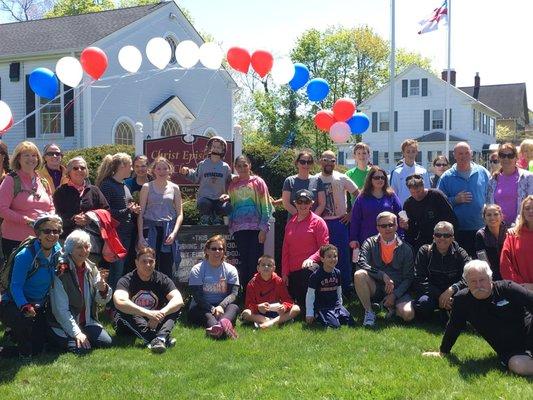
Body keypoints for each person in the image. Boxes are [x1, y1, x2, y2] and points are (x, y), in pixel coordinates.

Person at [423, 260, 533, 377]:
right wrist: (443, 351)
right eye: (473, 281)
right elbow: (454, 326)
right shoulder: (462, 301)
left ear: (490, 278)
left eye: (482, 280)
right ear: (467, 283)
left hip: (529, 334)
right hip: (512, 352)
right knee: (517, 366)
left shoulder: (507, 289)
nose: (478, 285)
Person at [0, 214, 63, 358]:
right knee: (29, 351)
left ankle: (15, 333)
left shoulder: (57, 249)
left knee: (40, 346)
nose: (52, 235)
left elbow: (62, 257)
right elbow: (15, 286)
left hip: (39, 305)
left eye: (56, 231)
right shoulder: (25, 255)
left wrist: (62, 264)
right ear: (38, 234)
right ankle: (10, 347)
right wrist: (25, 306)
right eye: (47, 231)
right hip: (13, 303)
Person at [48, 230, 113, 354]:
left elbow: (101, 300)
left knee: (106, 342)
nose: (84, 251)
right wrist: (77, 333)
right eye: (79, 247)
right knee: (81, 350)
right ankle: (63, 337)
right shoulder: (61, 272)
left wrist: (103, 290)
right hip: (63, 322)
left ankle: (80, 335)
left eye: (87, 246)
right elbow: (60, 310)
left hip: (87, 321)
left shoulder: (91, 268)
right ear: (70, 249)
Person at [113, 247, 184, 353]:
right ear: (136, 263)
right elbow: (119, 302)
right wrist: (148, 313)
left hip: (154, 321)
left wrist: (161, 313)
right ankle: (157, 339)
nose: (148, 265)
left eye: (151, 261)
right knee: (125, 309)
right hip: (129, 323)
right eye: (144, 261)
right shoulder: (126, 280)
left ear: (155, 263)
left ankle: (160, 338)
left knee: (175, 307)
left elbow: (178, 300)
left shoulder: (162, 279)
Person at [354, 212, 414, 327]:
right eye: (383, 226)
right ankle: (369, 312)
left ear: (396, 226)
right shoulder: (369, 243)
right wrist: (382, 275)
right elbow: (361, 262)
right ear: (377, 227)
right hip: (376, 286)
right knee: (359, 274)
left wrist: (394, 295)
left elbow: (408, 278)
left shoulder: (406, 248)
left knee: (408, 315)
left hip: (397, 289)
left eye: (391, 225)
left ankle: (388, 307)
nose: (388, 228)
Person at [0, 141, 55, 257]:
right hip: (15, 241)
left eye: (34, 155)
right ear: (18, 159)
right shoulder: (11, 180)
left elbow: (51, 206)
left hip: (42, 240)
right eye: (26, 155)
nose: (31, 158)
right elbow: (2, 209)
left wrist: (50, 218)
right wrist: (26, 220)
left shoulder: (43, 181)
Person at [437, 142, 491, 257]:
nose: (464, 156)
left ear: (471, 154)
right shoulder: (446, 177)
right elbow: (438, 203)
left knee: (482, 262)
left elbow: (491, 196)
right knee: (461, 265)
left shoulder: (482, 172)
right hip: (458, 231)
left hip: (481, 229)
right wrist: (455, 200)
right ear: (454, 155)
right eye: (460, 153)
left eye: (467, 153)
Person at [316, 150, 359, 295]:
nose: (329, 163)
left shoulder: (342, 177)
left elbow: (358, 194)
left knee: (342, 256)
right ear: (320, 161)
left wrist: (351, 214)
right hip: (322, 223)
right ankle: (325, 287)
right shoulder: (314, 179)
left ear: (336, 162)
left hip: (340, 222)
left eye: (332, 160)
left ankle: (346, 287)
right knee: (323, 255)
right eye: (326, 159)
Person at [409, 221, 471, 321]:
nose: (442, 238)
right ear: (433, 237)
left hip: (453, 293)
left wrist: (453, 289)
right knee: (423, 304)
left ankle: (445, 312)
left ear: (452, 238)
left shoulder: (460, 253)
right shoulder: (425, 251)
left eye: (446, 235)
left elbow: (470, 275)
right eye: (438, 235)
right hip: (431, 292)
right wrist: (440, 295)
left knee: (464, 303)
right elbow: (418, 278)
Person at [96, 153, 140, 290]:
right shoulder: (107, 185)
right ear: (122, 166)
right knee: (116, 271)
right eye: (130, 166)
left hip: (126, 234)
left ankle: (116, 302)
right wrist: (128, 210)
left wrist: (134, 209)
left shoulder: (125, 186)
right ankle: (111, 305)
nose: (132, 169)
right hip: (115, 236)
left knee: (122, 270)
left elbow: (126, 206)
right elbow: (105, 212)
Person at [227, 155, 273, 287]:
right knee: (243, 262)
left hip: (256, 229)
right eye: (239, 166)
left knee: (255, 262)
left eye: (244, 165)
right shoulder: (232, 185)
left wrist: (264, 228)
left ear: (250, 165)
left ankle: (257, 292)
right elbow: (231, 206)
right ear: (235, 168)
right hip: (239, 229)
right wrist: (231, 227)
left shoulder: (258, 182)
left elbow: (266, 205)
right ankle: (246, 295)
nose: (242, 168)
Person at [282, 189, 329, 312]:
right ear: (295, 203)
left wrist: (311, 259)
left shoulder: (318, 222)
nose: (303, 205)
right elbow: (285, 250)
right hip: (293, 271)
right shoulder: (290, 223)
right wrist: (285, 272)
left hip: (310, 269)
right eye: (300, 202)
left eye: (306, 202)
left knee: (307, 274)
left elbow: (324, 248)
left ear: (311, 203)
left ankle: (312, 309)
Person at [137, 157, 183, 279]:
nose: (162, 171)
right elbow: (141, 213)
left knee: (167, 266)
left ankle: (166, 294)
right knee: (149, 264)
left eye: (164, 168)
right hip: (150, 230)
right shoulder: (147, 187)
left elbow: (180, 214)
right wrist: (141, 237)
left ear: (169, 170)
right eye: (158, 168)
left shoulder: (175, 188)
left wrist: (174, 233)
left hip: (167, 231)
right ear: (153, 171)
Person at [188, 235, 240, 339]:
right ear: (207, 251)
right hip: (201, 307)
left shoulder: (231, 269)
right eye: (214, 249)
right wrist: (212, 309)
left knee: (234, 307)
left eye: (220, 249)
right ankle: (223, 328)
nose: (217, 251)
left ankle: (218, 328)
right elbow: (197, 296)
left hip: (222, 306)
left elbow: (233, 294)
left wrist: (221, 306)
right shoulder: (197, 269)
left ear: (224, 252)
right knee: (208, 316)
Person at [179, 136, 232, 225]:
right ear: (210, 148)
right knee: (203, 203)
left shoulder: (225, 167)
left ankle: (217, 217)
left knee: (227, 207)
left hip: (219, 198)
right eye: (214, 147)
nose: (215, 149)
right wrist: (187, 172)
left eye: (218, 147)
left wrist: (235, 178)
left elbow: (229, 180)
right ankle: (206, 217)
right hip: (205, 197)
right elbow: (195, 177)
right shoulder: (203, 164)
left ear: (223, 150)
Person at [53, 156, 109, 239]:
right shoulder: (61, 191)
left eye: (82, 168)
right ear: (69, 172)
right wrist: (74, 219)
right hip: (67, 238)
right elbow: (56, 215)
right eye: (75, 168)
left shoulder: (94, 190)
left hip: (92, 239)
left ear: (86, 171)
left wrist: (90, 218)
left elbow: (106, 211)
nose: (79, 170)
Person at [349, 166, 402, 254]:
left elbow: (400, 216)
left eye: (382, 177)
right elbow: (355, 220)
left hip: (389, 240)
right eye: (376, 177)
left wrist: (400, 235)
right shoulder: (362, 197)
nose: (380, 180)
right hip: (366, 240)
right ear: (370, 179)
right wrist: (353, 239)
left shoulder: (391, 195)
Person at [401, 174, 457, 254]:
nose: (416, 195)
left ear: (423, 186)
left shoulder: (436, 196)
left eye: (418, 191)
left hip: (442, 238)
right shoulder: (409, 204)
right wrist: (406, 226)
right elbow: (411, 231)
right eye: (413, 192)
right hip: (423, 242)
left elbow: (451, 219)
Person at [241, 255, 300, 329]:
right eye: (263, 265)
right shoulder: (252, 283)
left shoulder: (279, 281)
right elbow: (248, 304)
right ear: (258, 268)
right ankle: (269, 321)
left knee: (296, 308)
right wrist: (258, 307)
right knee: (246, 313)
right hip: (260, 314)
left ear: (274, 268)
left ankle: (269, 323)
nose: (266, 267)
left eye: (269, 265)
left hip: (276, 312)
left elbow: (288, 300)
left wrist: (284, 307)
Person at [305, 244, 355, 328]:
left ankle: (335, 315)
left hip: (335, 305)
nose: (333, 259)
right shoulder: (315, 276)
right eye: (329, 257)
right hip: (322, 307)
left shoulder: (337, 272)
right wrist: (309, 313)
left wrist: (340, 305)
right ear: (322, 259)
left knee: (350, 322)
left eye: (335, 256)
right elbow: (310, 295)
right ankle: (318, 316)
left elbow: (339, 290)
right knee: (335, 326)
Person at [486, 143, 533, 226]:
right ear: (499, 158)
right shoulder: (492, 180)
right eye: (502, 155)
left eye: (510, 155)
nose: (506, 158)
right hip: (497, 229)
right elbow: (489, 205)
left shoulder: (528, 178)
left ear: (516, 158)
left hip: (521, 227)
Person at [500, 195, 533, 289]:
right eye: (527, 208)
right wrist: (520, 285)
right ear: (522, 212)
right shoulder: (512, 235)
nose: (531, 211)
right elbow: (505, 264)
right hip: (520, 290)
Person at [281, 150, 325, 217]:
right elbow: (286, 203)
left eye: (309, 162)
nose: (306, 165)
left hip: (313, 223)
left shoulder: (318, 181)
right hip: (295, 222)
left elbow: (322, 204)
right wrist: (301, 216)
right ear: (297, 163)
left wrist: (311, 218)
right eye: (302, 162)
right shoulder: (289, 181)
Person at [389, 139, 430, 205]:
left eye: (413, 151)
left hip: (421, 208)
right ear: (403, 153)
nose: (411, 154)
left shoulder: (423, 171)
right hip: (403, 209)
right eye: (408, 151)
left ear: (417, 152)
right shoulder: (396, 172)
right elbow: (393, 194)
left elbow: (427, 191)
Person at [474, 204, 507, 280]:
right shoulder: (480, 235)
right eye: (489, 215)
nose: (492, 217)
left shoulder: (509, 232)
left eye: (496, 214)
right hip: (492, 275)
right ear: (484, 218)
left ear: (501, 217)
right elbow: (483, 260)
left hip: (509, 272)